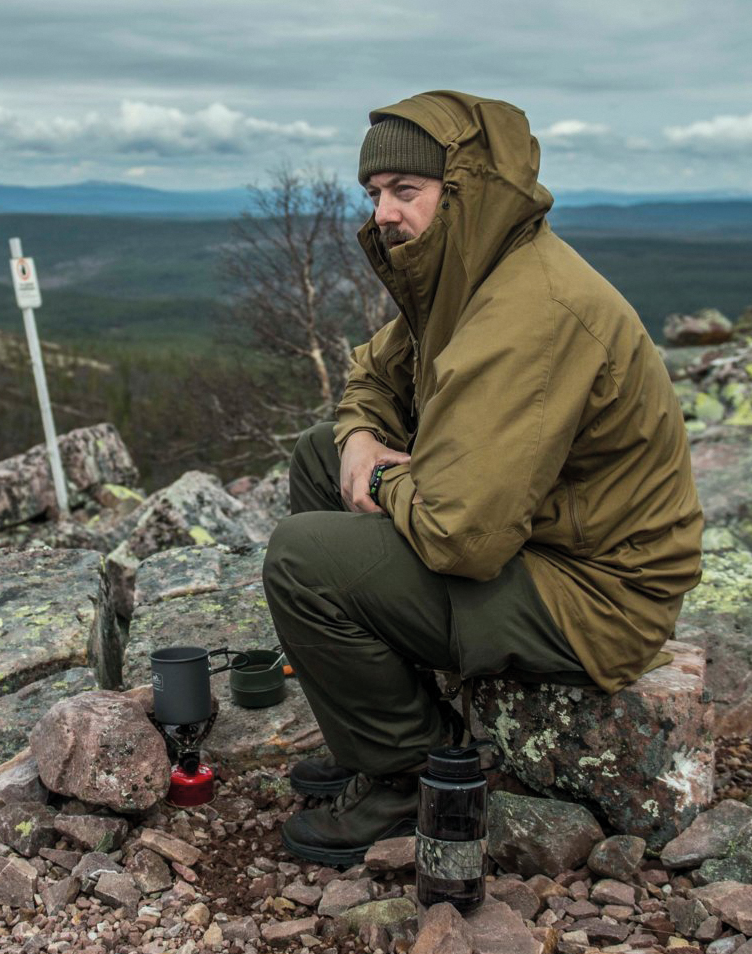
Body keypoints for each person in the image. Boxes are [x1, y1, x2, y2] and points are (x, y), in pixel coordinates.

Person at [266, 90, 703, 866]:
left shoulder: (530, 312)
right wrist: (364, 436)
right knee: (318, 451)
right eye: (374, 194)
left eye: (407, 191)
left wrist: (389, 481)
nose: (383, 214)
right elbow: (374, 369)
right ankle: (371, 718)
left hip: (595, 596)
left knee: (303, 560)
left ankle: (406, 775)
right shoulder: (473, 273)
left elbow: (461, 536)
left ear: (467, 192)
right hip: (541, 543)